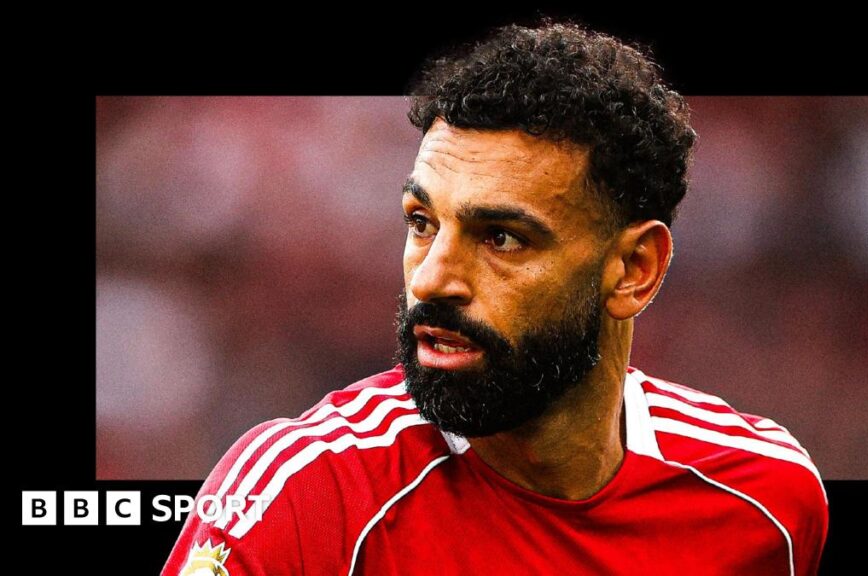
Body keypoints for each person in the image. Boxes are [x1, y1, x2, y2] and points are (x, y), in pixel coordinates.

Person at [162, 19, 828, 576]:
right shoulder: (305, 499)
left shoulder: (765, 501)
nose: (431, 280)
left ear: (634, 270)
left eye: (502, 238)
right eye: (422, 223)